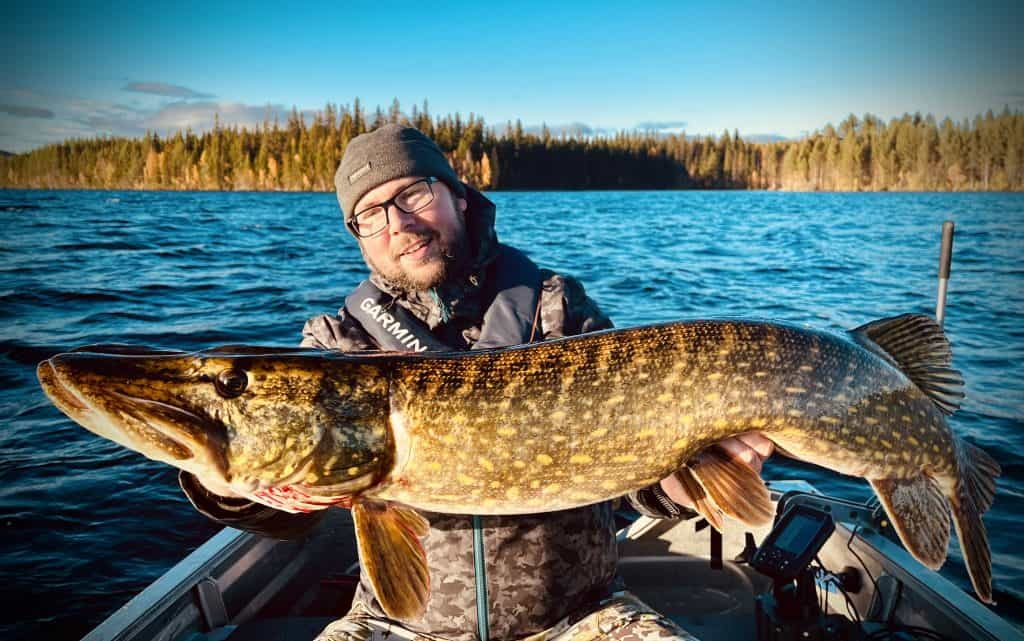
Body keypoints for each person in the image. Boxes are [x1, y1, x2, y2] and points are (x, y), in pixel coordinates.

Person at [179, 124, 774, 641]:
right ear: (358, 234)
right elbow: (287, 516)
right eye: (371, 214)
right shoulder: (338, 345)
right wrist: (230, 485)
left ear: (459, 197)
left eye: (414, 192)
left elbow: (634, 483)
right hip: (395, 625)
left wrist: (696, 472)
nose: (401, 224)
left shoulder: (555, 311)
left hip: (581, 617)